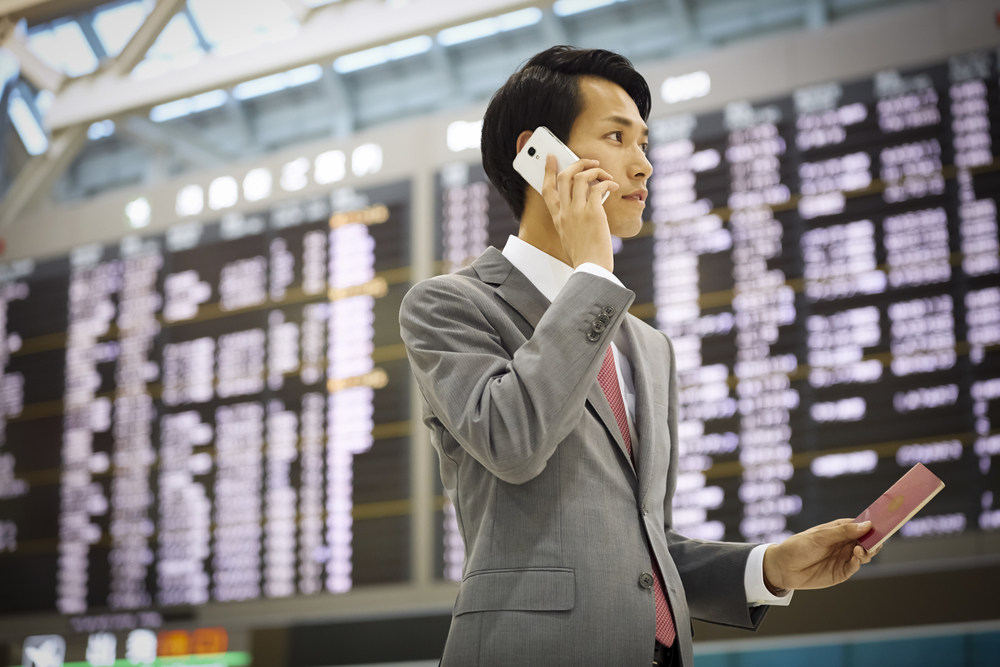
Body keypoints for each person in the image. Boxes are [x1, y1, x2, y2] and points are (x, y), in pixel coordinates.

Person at [399, 46, 881, 667]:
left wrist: (768, 567)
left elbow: (640, 551)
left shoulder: (646, 346)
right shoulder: (449, 304)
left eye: (645, 143)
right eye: (617, 137)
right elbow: (513, 440)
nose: (644, 165)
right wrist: (592, 274)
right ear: (540, 156)